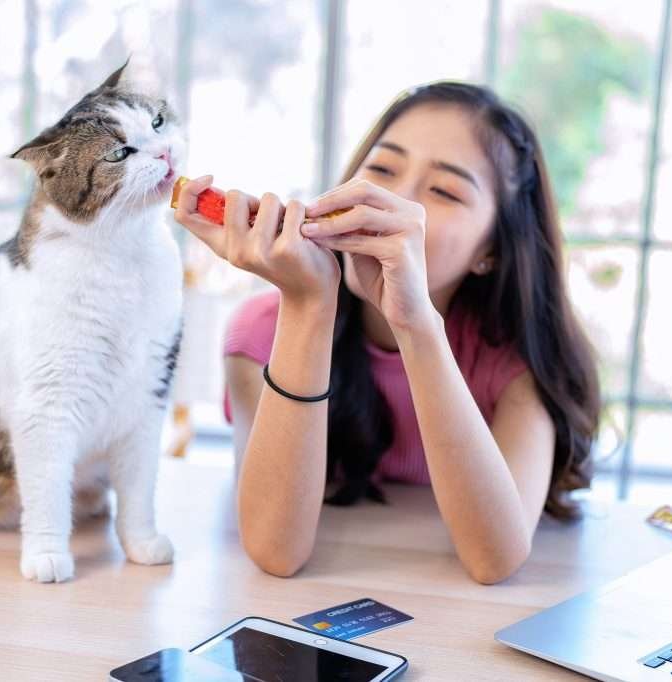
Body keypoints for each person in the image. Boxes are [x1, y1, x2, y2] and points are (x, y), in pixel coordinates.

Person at [172, 82, 600, 584]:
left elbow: (495, 558)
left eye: (445, 191)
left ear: (493, 251)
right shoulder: (261, 332)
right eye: (381, 169)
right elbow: (275, 550)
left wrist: (415, 323)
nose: (392, 199)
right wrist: (309, 306)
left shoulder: (516, 359)